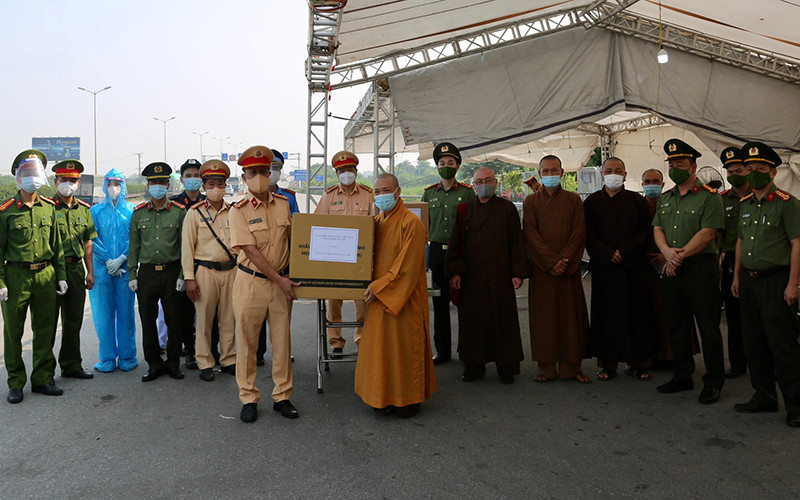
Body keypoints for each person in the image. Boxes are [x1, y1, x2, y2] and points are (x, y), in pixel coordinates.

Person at [355, 173, 437, 417]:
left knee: (403, 350)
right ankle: (382, 397)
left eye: (386, 190)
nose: (381, 196)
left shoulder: (411, 223)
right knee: (381, 351)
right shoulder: (377, 221)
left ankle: (407, 400)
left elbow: (407, 268)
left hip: (403, 297)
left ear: (398, 192)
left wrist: (380, 287)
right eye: (377, 191)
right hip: (378, 296)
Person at [732, 142, 800, 428]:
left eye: (760, 168)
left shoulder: (787, 203)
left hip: (776, 282)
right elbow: (740, 241)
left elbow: (797, 245)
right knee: (754, 342)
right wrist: (736, 277)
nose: (754, 173)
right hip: (749, 282)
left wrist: (793, 284)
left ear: (773, 173)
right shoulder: (745, 204)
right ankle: (764, 396)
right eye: (749, 168)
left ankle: (796, 405)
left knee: (783, 345)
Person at [229, 146, 299, 423]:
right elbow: (251, 251)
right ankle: (248, 397)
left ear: (270, 173)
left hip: (281, 284)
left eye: (263, 171)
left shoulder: (283, 203)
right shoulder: (238, 210)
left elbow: (295, 240)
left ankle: (282, 396)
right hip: (251, 283)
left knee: (282, 342)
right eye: (252, 172)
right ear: (244, 177)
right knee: (247, 343)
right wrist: (281, 280)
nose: (258, 176)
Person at [653, 138, 725, 404]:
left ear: (693, 167)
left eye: (680, 164)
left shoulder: (709, 197)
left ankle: (714, 381)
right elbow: (658, 229)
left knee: (708, 328)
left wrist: (678, 256)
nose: (675, 168)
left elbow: (708, 233)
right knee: (677, 325)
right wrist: (667, 253)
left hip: (699, 268)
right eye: (671, 164)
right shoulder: (665, 198)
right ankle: (682, 375)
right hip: (672, 267)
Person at [445, 167, 527, 384]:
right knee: (473, 323)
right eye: (479, 181)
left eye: (488, 180)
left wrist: (518, 273)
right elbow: (455, 243)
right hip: (471, 277)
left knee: (503, 322)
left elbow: (517, 242)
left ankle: (506, 367)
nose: (484, 184)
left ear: (495, 183)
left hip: (500, 275)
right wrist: (455, 272)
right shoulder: (464, 210)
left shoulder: (507, 209)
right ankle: (473, 366)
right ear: (473, 185)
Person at [1, 150, 67, 403]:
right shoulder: (6, 211)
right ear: (18, 177)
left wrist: (60, 275)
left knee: (45, 329)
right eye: (26, 173)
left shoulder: (48, 208)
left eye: (34, 173)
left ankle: (42, 378)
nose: (31, 178)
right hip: (16, 275)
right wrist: (0, 281)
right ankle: (16, 382)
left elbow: (57, 246)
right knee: (13, 332)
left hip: (45, 275)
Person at [584, 157, 656, 381]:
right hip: (605, 269)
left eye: (618, 170)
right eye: (608, 171)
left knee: (637, 315)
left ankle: (637, 364)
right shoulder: (591, 202)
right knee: (606, 316)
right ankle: (608, 364)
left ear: (625, 175)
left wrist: (624, 251)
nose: (613, 174)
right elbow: (588, 234)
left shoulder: (637, 201)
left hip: (633, 267)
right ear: (602, 175)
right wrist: (606, 253)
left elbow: (646, 232)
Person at [523, 155, 590, 383]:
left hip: (567, 268)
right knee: (544, 318)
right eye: (546, 171)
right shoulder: (531, 202)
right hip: (543, 270)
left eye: (554, 170)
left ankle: (572, 367)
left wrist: (564, 260)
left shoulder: (573, 200)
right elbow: (530, 235)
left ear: (562, 173)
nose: (550, 174)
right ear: (540, 174)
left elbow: (579, 233)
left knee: (570, 317)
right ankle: (546, 367)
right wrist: (551, 261)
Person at [129, 162, 187, 382]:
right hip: (147, 274)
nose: (158, 186)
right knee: (148, 321)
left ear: (168, 185)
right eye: (154, 182)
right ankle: (153, 364)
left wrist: (182, 275)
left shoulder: (179, 212)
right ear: (148, 185)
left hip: (171, 273)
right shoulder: (139, 213)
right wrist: (132, 274)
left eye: (162, 182)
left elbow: (184, 247)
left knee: (175, 321)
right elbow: (134, 246)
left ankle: (173, 363)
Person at [313, 150, 373, 359]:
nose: (346, 173)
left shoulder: (368, 195)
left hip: (360, 258)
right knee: (333, 302)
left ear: (356, 170)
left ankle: (362, 340)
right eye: (341, 170)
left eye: (349, 169)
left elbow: (377, 225)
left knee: (362, 302)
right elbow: (317, 225)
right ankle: (336, 342)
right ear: (336, 173)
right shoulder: (329, 196)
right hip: (335, 258)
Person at [181, 160, 237, 382]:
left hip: (231, 271)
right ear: (204, 187)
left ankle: (228, 358)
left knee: (229, 319)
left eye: (220, 183)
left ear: (225, 185)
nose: (216, 188)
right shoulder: (194, 213)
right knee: (204, 321)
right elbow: (187, 248)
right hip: (205, 272)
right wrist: (189, 278)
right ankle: (204, 361)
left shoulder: (234, 212)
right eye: (211, 184)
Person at [421, 142, 475, 364]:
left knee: (465, 304)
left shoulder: (467, 193)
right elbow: (422, 227)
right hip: (435, 253)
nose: (446, 166)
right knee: (439, 304)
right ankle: (442, 351)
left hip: (459, 253)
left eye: (450, 163)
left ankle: (468, 351)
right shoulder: (429, 194)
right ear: (437, 167)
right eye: (442, 163)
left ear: (458, 166)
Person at [51, 159, 97, 380]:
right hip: (52, 271)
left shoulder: (84, 210)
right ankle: (45, 373)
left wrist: (90, 271)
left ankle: (71, 365)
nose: (68, 184)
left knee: (73, 320)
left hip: (76, 269)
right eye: (64, 179)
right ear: (55, 181)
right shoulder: (48, 208)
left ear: (78, 183)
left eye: (72, 180)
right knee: (49, 324)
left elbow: (88, 243)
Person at [89, 169, 138, 373]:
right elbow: (92, 237)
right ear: (104, 186)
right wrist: (108, 260)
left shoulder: (132, 211)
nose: (113, 188)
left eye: (117, 184)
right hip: (102, 271)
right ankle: (107, 358)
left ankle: (127, 356)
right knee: (103, 315)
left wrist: (121, 259)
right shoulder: (95, 211)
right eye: (110, 184)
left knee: (126, 315)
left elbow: (135, 237)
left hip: (125, 270)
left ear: (123, 186)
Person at [256, 149, 300, 366]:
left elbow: (298, 230)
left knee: (281, 316)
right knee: (257, 315)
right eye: (269, 167)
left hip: (283, 265)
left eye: (277, 167)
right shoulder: (250, 199)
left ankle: (282, 353)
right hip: (258, 267)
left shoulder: (288, 198)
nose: (272, 172)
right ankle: (257, 353)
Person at [718, 147, 750, 379]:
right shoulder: (722, 200)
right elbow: (719, 233)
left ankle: (768, 364)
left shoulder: (760, 197)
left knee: (761, 316)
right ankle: (738, 363)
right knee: (734, 314)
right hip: (730, 260)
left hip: (757, 260)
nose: (734, 175)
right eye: (730, 172)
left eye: (738, 170)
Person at [170, 159, 204, 370]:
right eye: (188, 176)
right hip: (182, 266)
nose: (193, 179)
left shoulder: (208, 202)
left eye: (196, 175)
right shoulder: (174, 204)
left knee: (208, 312)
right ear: (182, 180)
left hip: (206, 265)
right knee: (185, 312)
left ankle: (209, 349)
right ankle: (190, 350)